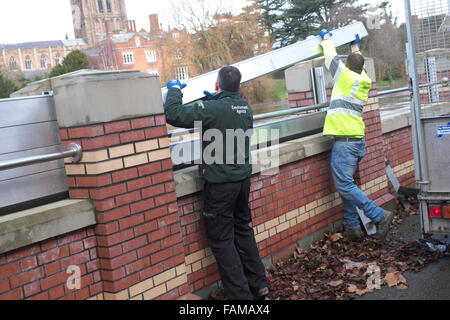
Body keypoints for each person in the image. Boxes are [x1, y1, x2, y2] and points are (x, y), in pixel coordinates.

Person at [164, 66, 269, 300]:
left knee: (222, 240)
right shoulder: (245, 107)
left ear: (216, 85)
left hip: (221, 185)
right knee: (243, 229)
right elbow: (229, 116)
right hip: (242, 181)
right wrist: (217, 101)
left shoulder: (211, 109)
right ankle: (259, 283)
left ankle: (241, 298)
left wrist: (173, 91)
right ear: (239, 87)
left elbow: (174, 114)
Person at [318, 29, 394, 242]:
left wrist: (326, 38)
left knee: (344, 185)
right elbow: (357, 63)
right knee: (348, 184)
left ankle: (380, 216)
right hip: (357, 141)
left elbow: (331, 56)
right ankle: (352, 227)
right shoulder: (364, 80)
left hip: (345, 143)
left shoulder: (344, 76)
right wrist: (355, 46)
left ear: (348, 66)